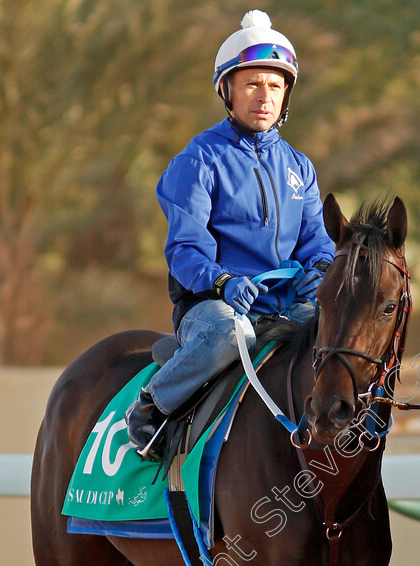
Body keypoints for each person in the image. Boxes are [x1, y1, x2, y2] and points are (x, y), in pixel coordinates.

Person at [125, 9, 334, 460]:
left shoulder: (300, 167)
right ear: (228, 90)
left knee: (342, 336)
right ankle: (152, 409)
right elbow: (184, 249)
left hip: (285, 306)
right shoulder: (197, 160)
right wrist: (223, 282)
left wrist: (320, 268)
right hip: (215, 309)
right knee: (229, 332)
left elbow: (318, 238)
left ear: (286, 95)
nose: (265, 96)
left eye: (275, 86)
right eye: (252, 84)